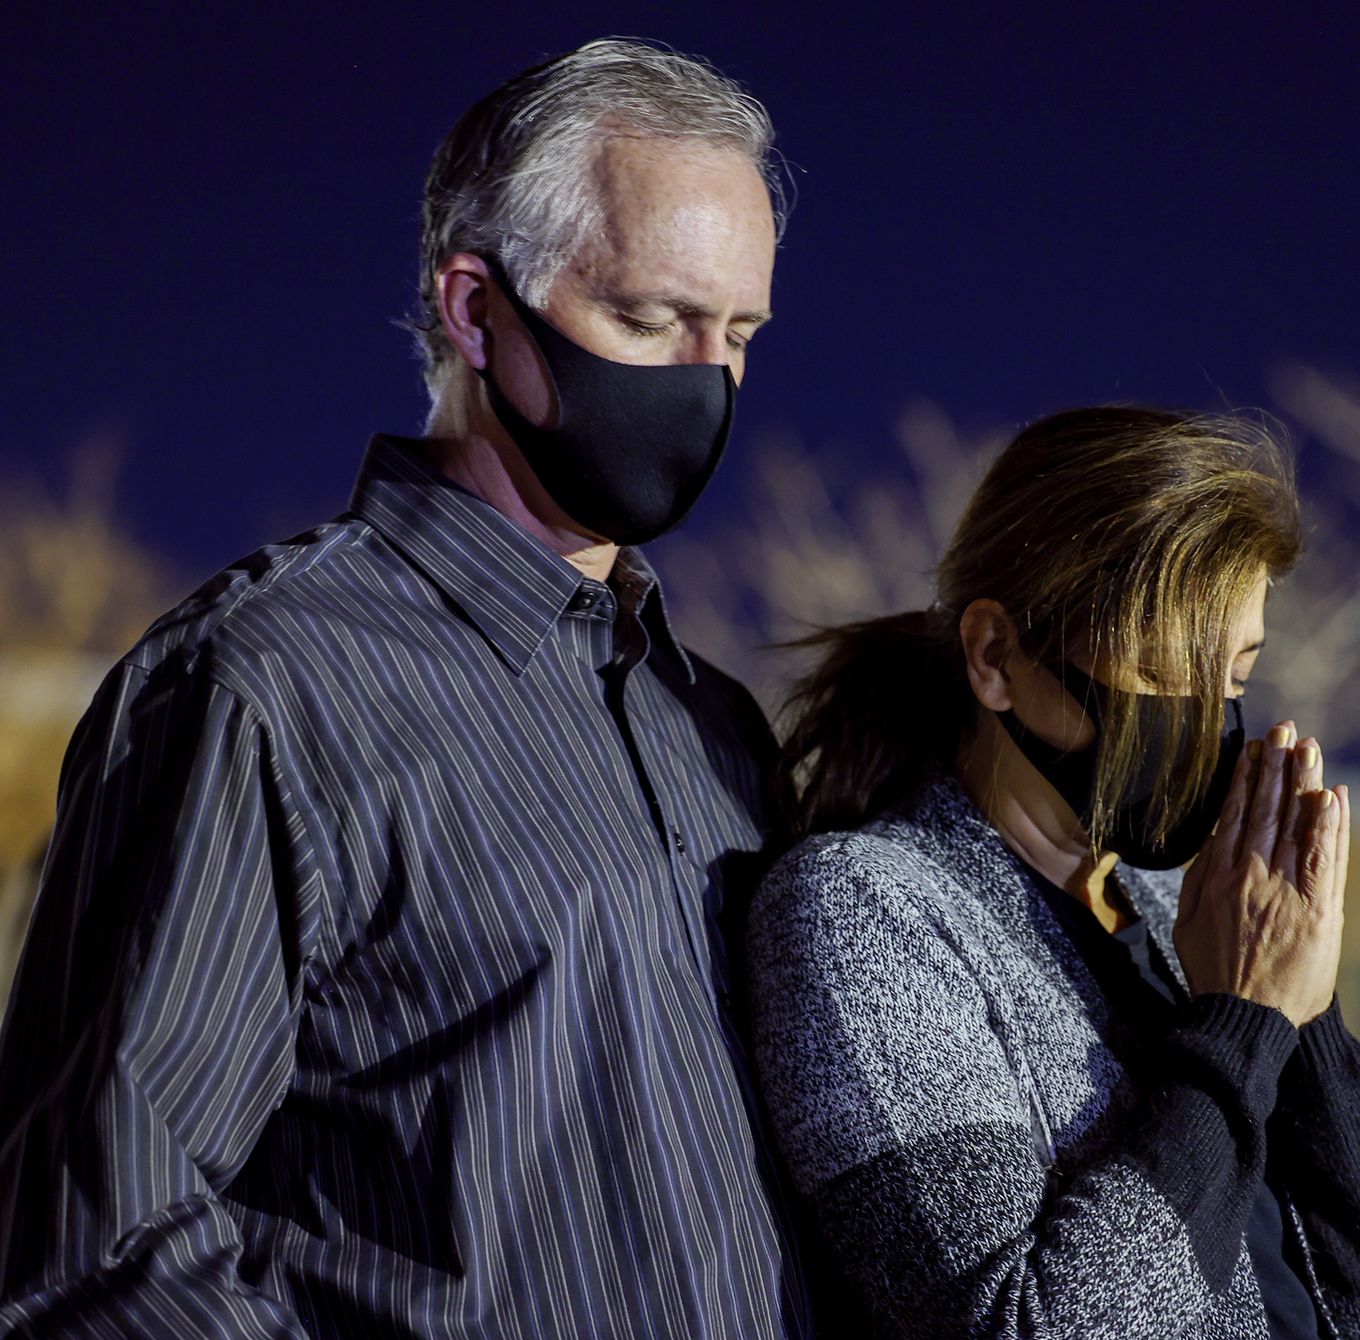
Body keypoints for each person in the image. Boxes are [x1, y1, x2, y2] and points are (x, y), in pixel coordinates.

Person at [0, 39, 812, 1337]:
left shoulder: (709, 722)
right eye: (651, 321)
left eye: (741, 334)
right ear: (474, 309)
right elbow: (101, 1253)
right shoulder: (260, 688)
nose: (703, 382)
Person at [746, 406, 1360, 1338]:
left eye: (1232, 680)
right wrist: (1243, 1026)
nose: (1205, 719)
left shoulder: (1190, 916)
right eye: (1160, 666)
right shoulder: (865, 910)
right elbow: (1022, 1327)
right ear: (996, 658)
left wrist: (1308, 1018)